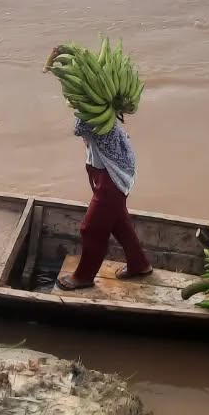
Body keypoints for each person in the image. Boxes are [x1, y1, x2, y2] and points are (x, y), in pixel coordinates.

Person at [55, 110, 152, 291]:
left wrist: (80, 103)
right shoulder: (106, 118)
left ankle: (84, 277)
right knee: (120, 224)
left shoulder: (98, 119)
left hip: (112, 181)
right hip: (110, 176)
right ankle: (139, 264)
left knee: (90, 229)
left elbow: (79, 127)